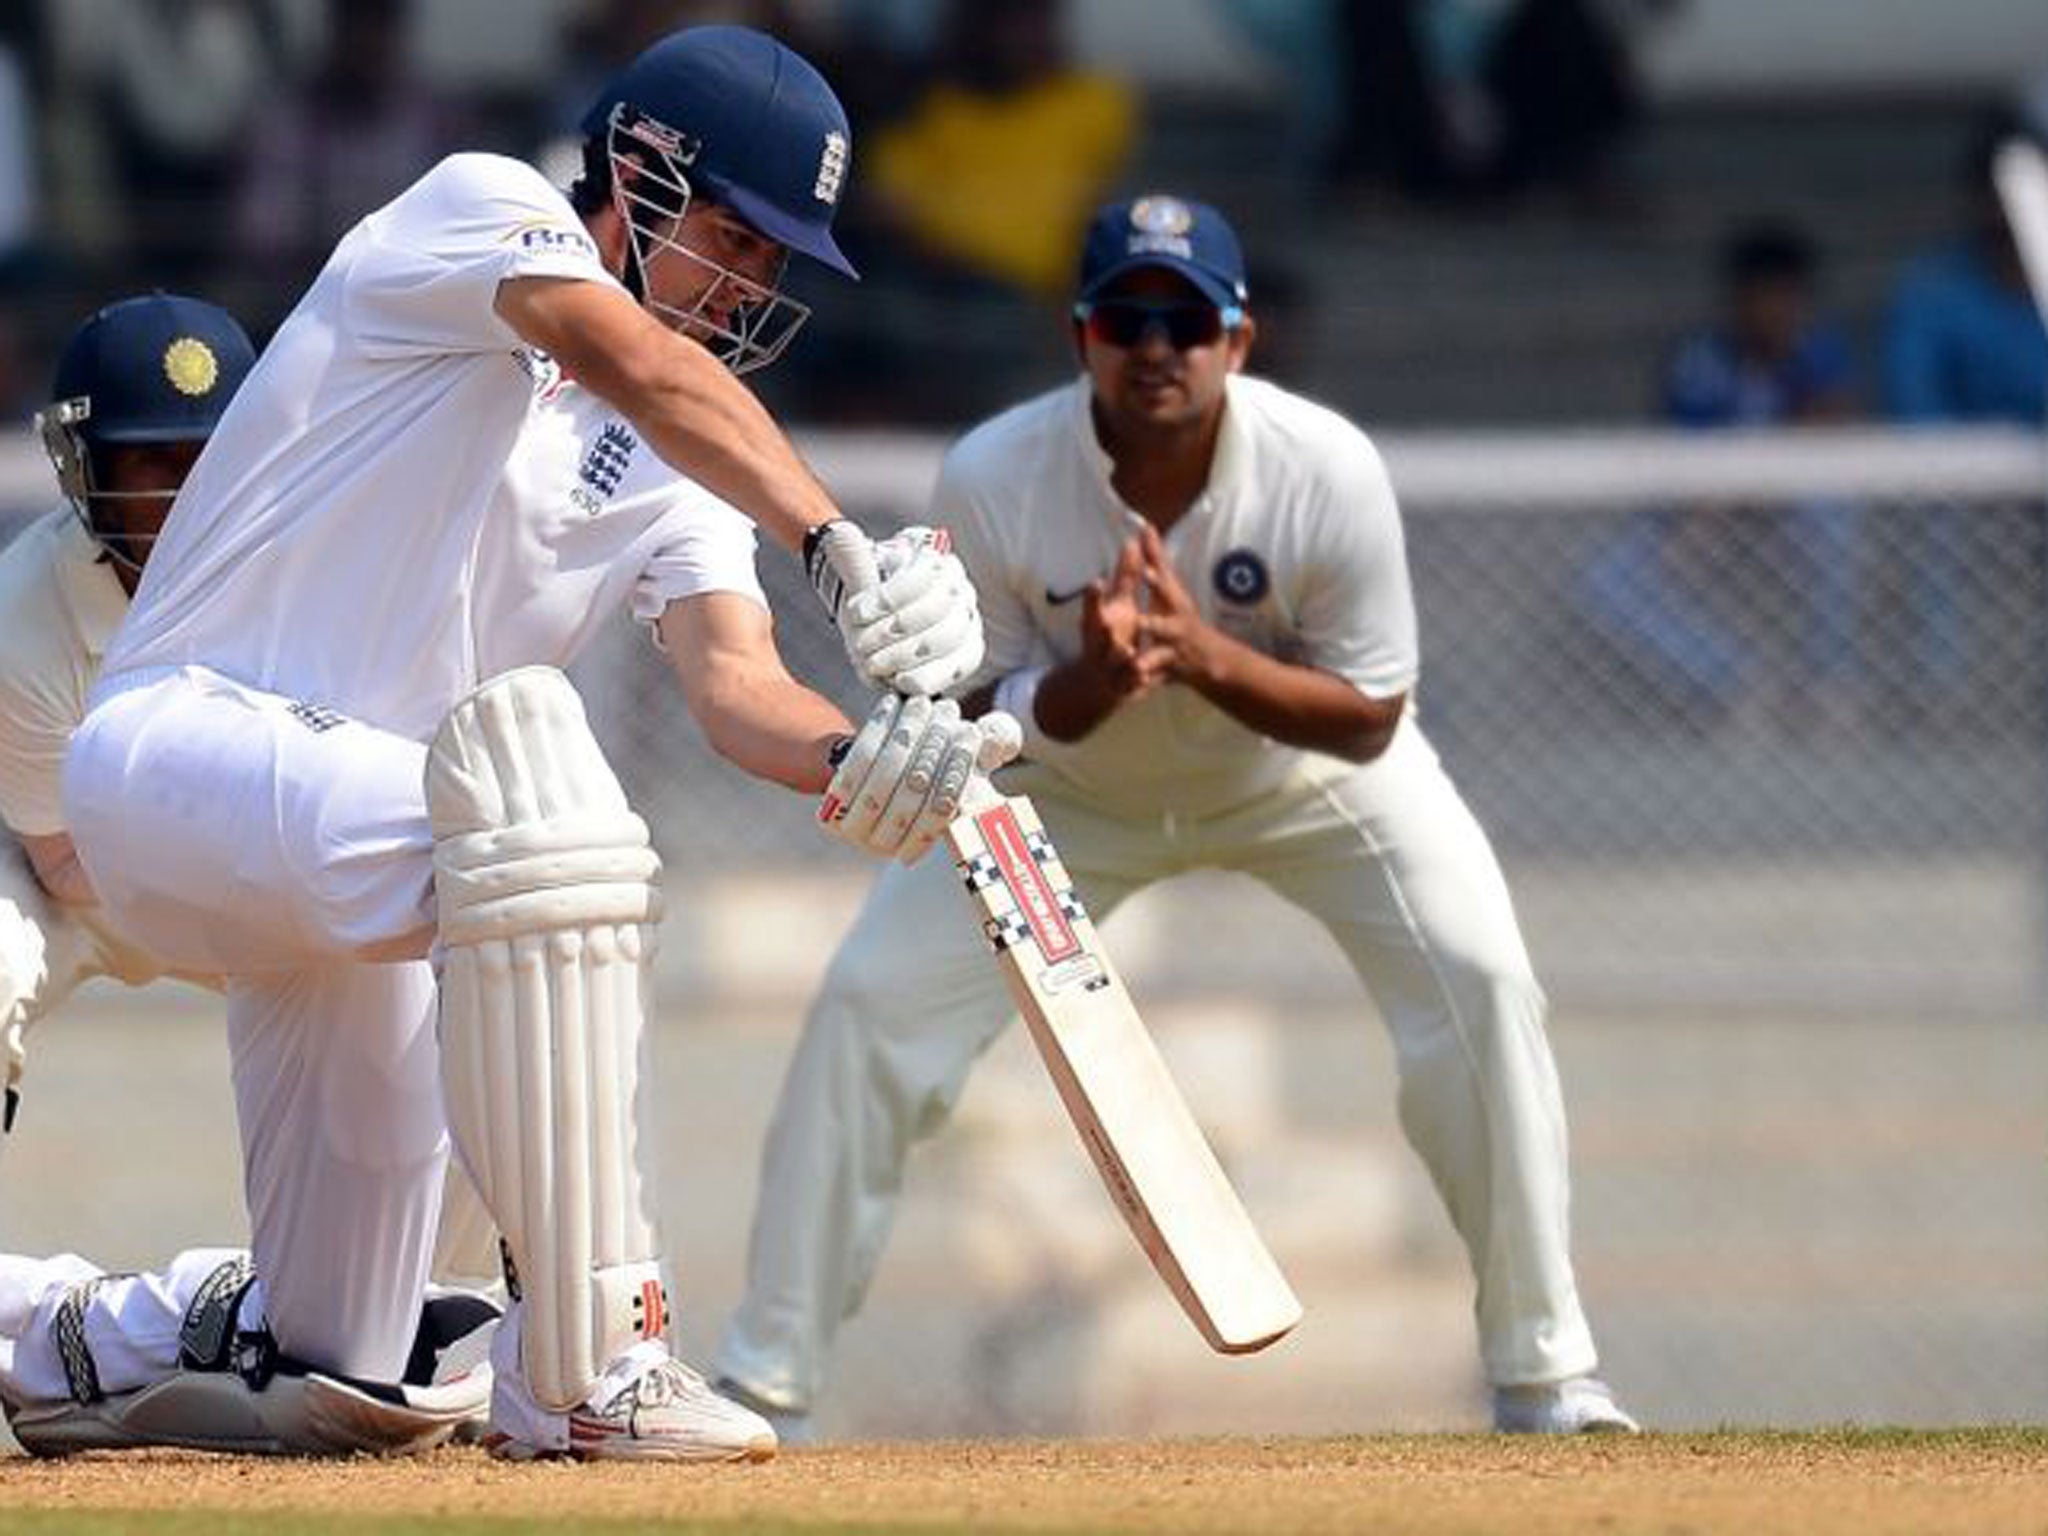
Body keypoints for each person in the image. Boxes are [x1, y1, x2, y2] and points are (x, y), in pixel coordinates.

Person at [41, 23, 1004, 1465]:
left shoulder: (677, 469)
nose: (749, 285)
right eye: (736, 236)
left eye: (774, 261)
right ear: (642, 172)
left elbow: (736, 686)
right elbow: (630, 360)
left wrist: (872, 754)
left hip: (367, 863)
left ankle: (57, 1336)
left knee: (347, 1374)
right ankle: (595, 1364)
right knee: (551, 818)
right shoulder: (481, 208)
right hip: (180, 752)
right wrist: (837, 540)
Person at [715, 192, 1637, 1438]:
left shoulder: (1324, 472)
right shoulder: (996, 472)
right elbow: (960, 701)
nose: (1158, 346)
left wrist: (1199, 656)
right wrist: (1083, 686)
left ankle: (1542, 1373)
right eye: (1128, 317)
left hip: (1306, 784)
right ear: (1080, 333)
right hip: (1062, 797)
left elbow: (1366, 714)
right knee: (869, 1009)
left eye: (1188, 320)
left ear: (1238, 341)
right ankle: (767, 1385)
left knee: (1478, 976)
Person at [0, 292, 503, 1456]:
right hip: (68, 877)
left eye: (208, 459)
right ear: (85, 474)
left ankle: (466, 1335)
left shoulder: (325, 560)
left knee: (483, 973)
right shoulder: (24, 614)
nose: (180, 498)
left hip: (241, 871)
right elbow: (72, 864)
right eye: (149, 464)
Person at [1579, 221, 1862, 728]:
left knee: (1835, 515)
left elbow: (1831, 428)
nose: (1779, 311)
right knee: (1606, 581)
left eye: (1789, 298)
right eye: (1766, 297)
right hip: (1703, 513)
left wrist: (1752, 482)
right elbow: (1687, 464)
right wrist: (1704, 517)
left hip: (1782, 510)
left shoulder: (1818, 349)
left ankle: (1829, 681)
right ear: (1739, 300)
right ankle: (1736, 681)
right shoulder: (1699, 360)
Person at [1883, 109, 2048, 691]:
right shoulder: (1934, 286)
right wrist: (1988, 467)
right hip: (1966, 480)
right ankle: (1943, 693)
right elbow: (1915, 404)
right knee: (1937, 522)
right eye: (1999, 195)